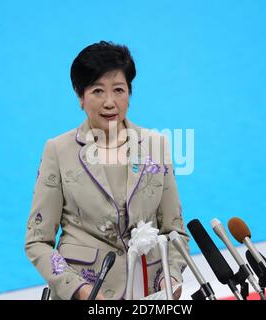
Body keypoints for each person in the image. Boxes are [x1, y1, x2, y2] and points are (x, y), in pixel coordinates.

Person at [24, 41, 190, 300]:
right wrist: (77, 288)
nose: (110, 102)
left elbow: (175, 231)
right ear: (80, 97)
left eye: (119, 90)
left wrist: (171, 280)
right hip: (88, 294)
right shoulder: (58, 150)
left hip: (148, 294)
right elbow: (37, 240)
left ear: (130, 93)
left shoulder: (156, 145)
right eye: (98, 91)